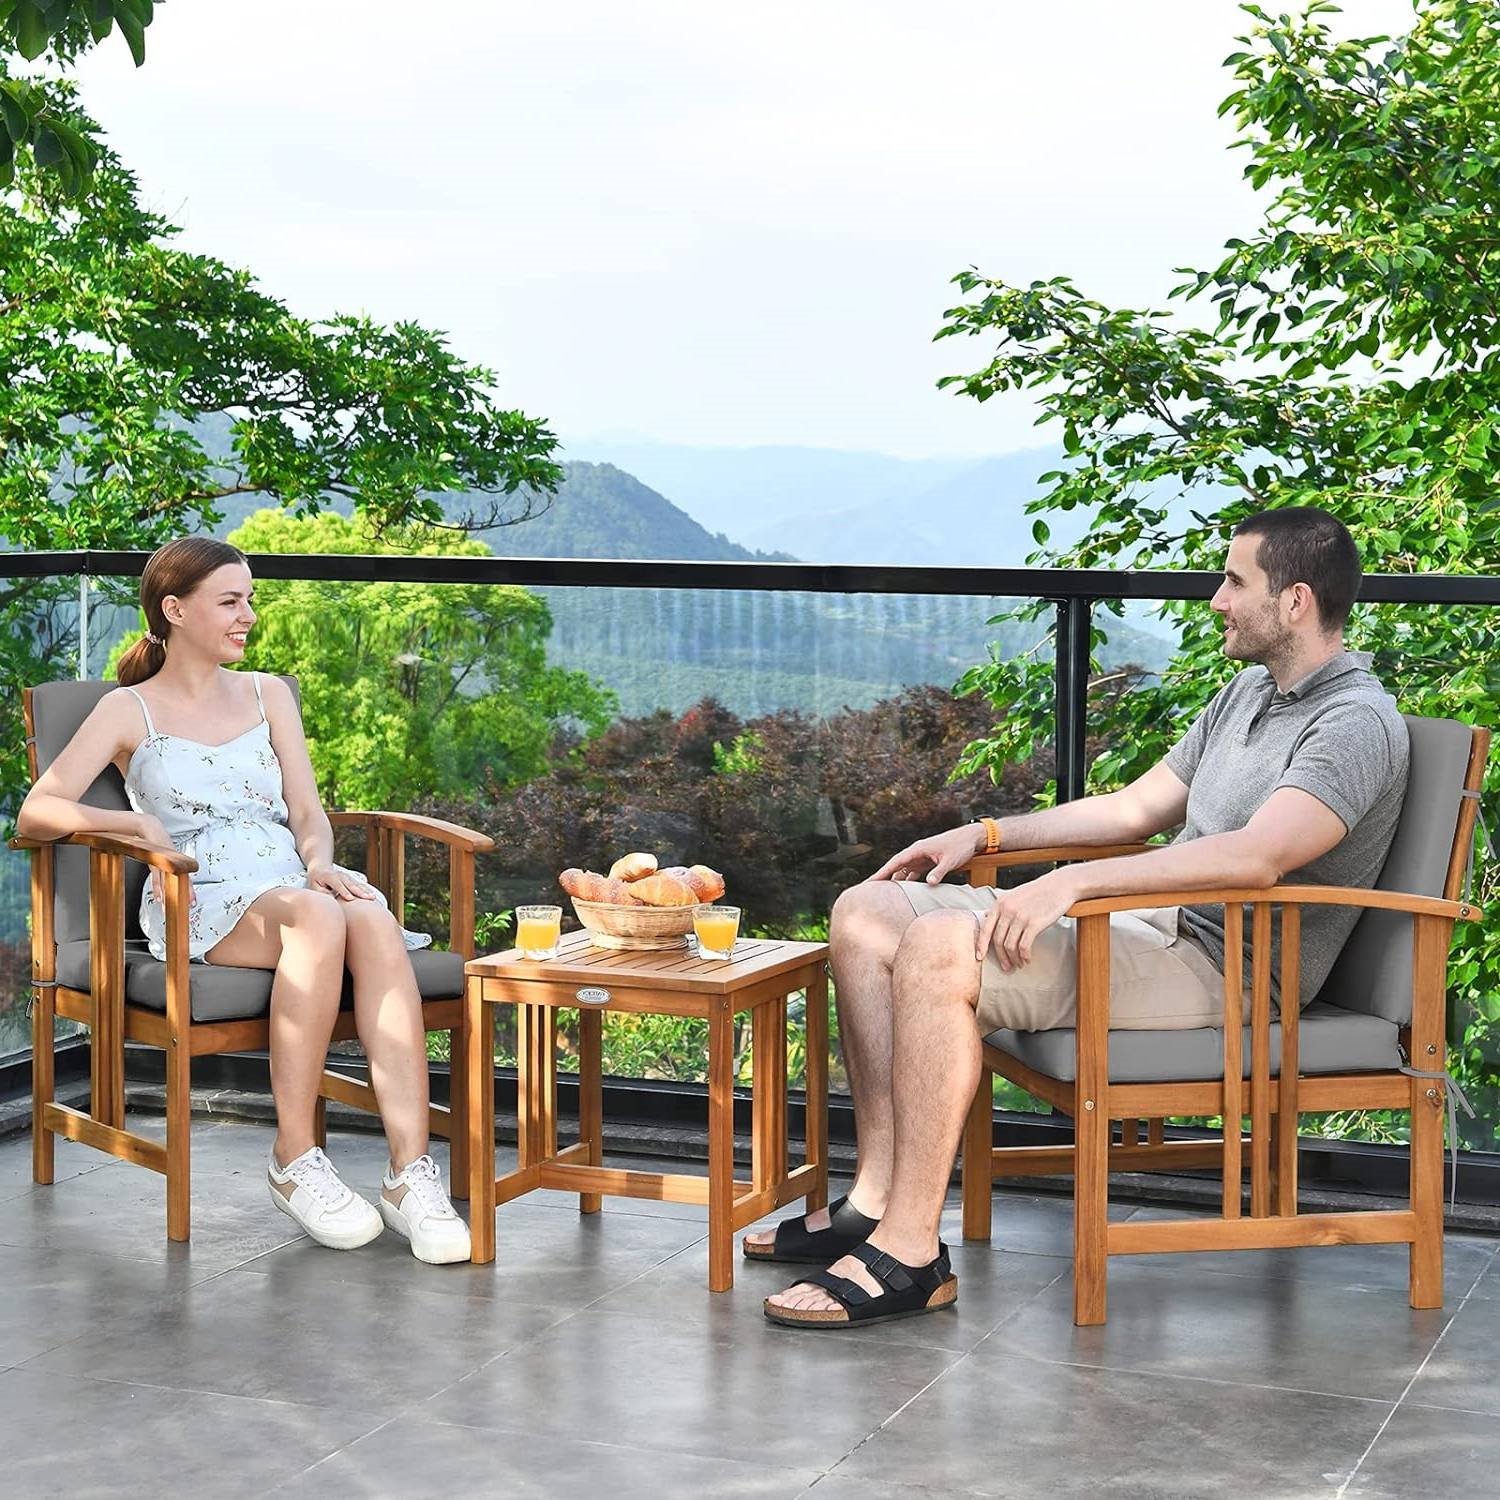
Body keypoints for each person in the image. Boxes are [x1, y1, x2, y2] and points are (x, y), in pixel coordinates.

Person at [751, 508, 1410, 1328]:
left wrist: (1073, 885)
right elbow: (1135, 809)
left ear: (1296, 601)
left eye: (1234, 581)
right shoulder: (1249, 693)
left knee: (940, 947)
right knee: (865, 912)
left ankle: (911, 1252)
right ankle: (877, 1200)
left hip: (1224, 968)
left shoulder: (1353, 724)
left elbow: (1258, 857)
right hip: (1147, 927)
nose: (1216, 600)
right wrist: (987, 834)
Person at [17, 537, 470, 1265]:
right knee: (319, 915)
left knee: (370, 917)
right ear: (175, 610)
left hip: (289, 881)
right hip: (195, 891)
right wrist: (132, 823)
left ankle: (409, 1173)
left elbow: (308, 812)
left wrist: (319, 863)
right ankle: (294, 1157)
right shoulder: (127, 709)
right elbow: (37, 812)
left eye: (249, 599)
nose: (248, 615)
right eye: (230, 601)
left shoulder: (267, 694)